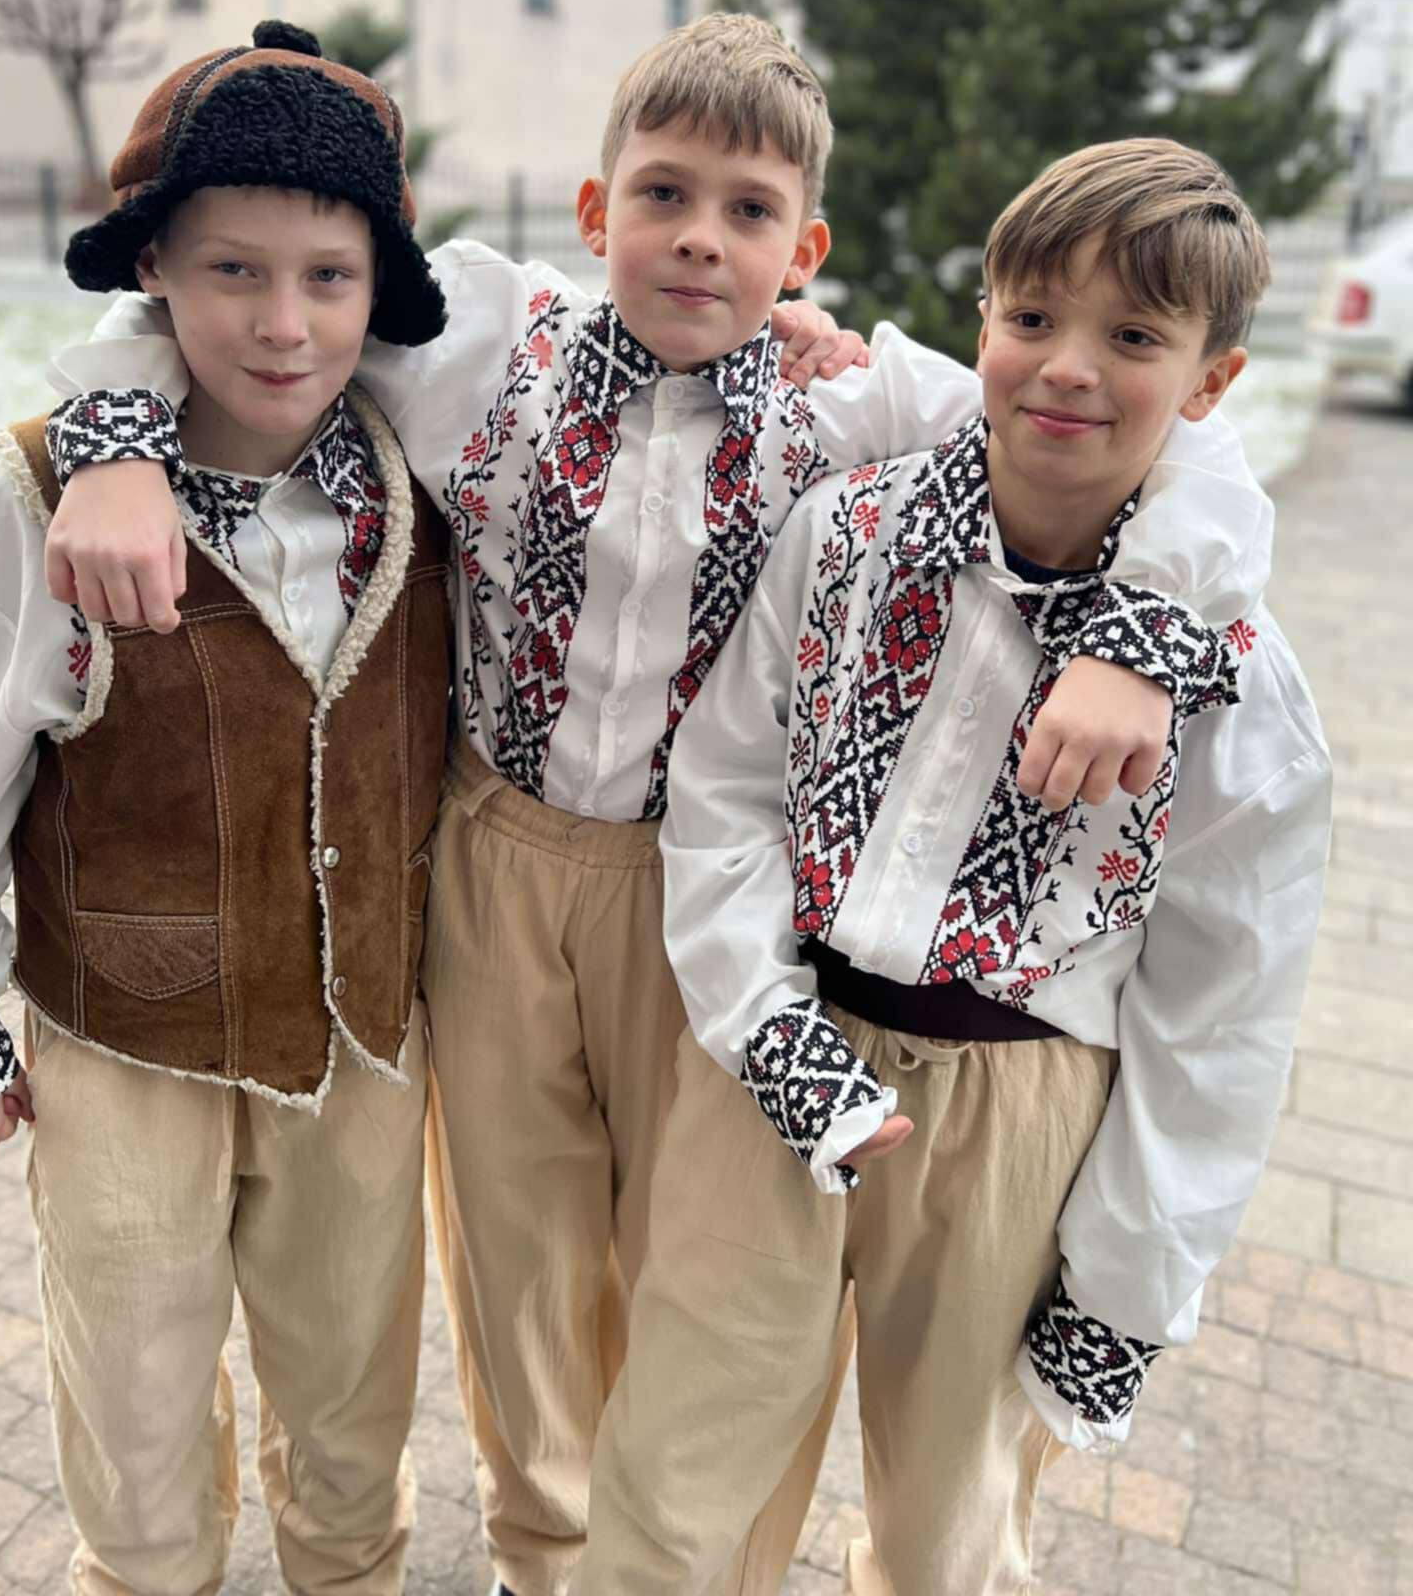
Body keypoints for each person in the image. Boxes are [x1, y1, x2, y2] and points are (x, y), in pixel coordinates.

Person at [36, 19, 1273, 1596]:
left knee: (684, 1257)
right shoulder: (481, 341)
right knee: (517, 1244)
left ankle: (649, 1538)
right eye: (665, 194)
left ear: (804, 246)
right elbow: (243, 303)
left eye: (749, 211)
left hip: (708, 891)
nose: (700, 237)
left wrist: (1144, 632)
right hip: (493, 857)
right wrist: (111, 450)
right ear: (594, 209)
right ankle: (542, 1549)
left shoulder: (863, 407)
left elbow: (1165, 443)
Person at [568, 138, 1332, 1596]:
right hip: (776, 1061)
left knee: (948, 1530)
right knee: (673, 1484)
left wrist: (1129, 1280)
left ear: (1212, 382)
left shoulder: (1234, 681)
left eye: (1136, 339)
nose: (1068, 369)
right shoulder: (850, 534)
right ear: (983, 318)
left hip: (1016, 1116)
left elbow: (1227, 1003)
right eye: (1032, 318)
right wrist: (760, 1022)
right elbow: (727, 791)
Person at [0, 21, 453, 1596]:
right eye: (231, 272)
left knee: (354, 1410)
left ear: (378, 290)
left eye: (327, 277)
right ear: (155, 273)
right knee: (133, 1428)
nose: (283, 322)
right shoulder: (36, 498)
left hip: (358, 1049)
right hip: (123, 1045)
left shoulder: (430, 472)